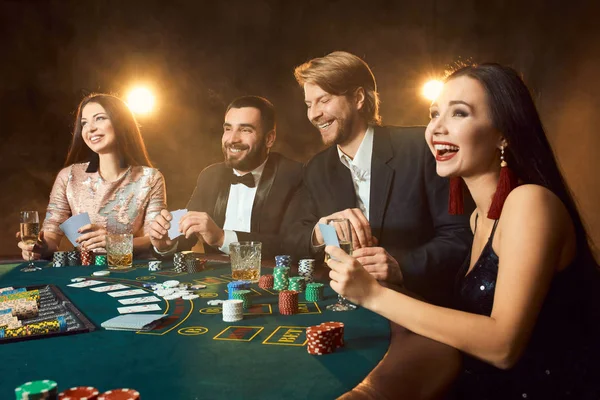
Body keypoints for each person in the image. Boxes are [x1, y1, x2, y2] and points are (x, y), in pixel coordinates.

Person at [325, 63, 600, 399]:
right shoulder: (477, 219)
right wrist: (380, 282)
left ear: (504, 133)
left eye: (459, 114)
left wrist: (373, 294)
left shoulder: (530, 203)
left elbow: (503, 346)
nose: (436, 128)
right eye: (434, 114)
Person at [285, 51, 472, 305]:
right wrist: (319, 232)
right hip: (347, 307)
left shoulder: (421, 147)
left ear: (358, 98)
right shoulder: (317, 167)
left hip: (420, 305)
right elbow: (293, 235)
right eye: (309, 104)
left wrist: (400, 266)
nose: (313, 114)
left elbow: (460, 236)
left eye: (324, 100)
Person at [17, 93, 166, 260]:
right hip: (86, 272)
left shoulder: (150, 178)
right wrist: (38, 246)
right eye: (84, 123)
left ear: (121, 124)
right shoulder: (69, 176)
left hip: (135, 270)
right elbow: (51, 235)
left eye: (100, 118)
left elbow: (155, 240)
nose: (90, 128)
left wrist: (115, 242)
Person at [149, 96, 302, 258]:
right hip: (214, 279)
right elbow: (187, 234)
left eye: (245, 130)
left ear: (269, 139)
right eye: (228, 129)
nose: (232, 139)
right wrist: (167, 242)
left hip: (269, 279)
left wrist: (222, 238)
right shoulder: (210, 175)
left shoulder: (292, 175)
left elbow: (292, 245)